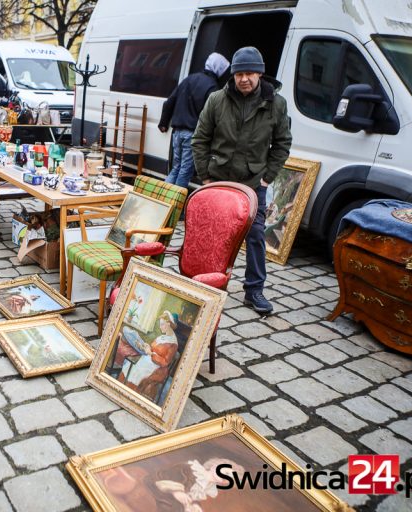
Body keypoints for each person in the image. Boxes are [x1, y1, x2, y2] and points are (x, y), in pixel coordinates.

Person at [192, 46, 292, 314]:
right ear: (232, 75)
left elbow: (282, 144)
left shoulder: (276, 104)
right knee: (212, 232)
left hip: (253, 183)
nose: (244, 79)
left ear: (260, 73)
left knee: (257, 234)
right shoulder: (216, 100)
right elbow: (200, 140)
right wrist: (205, 177)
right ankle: (204, 282)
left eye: (249, 73)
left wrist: (267, 178)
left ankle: (254, 290)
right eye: (239, 74)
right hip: (219, 180)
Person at [158, 53, 229, 189]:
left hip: (177, 133)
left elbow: (169, 102)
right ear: (219, 68)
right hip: (192, 135)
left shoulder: (189, 79)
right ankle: (175, 205)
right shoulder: (213, 87)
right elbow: (212, 116)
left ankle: (163, 200)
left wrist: (163, 123)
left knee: (176, 167)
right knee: (185, 171)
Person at [117, 311, 179, 402]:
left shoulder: (173, 344)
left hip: (157, 368)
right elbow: (153, 348)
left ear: (169, 324)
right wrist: (146, 346)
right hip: (148, 359)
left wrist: (151, 354)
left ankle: (128, 395)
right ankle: (119, 389)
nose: (160, 327)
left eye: (162, 324)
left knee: (136, 370)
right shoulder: (162, 337)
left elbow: (165, 362)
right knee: (130, 366)